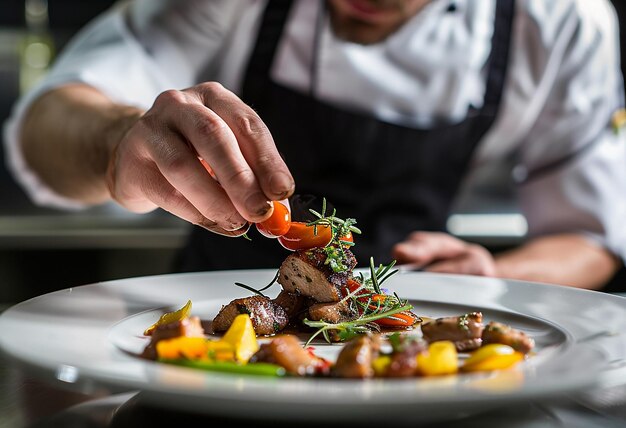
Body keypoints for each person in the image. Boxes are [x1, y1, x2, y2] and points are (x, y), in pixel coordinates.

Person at [3, 0, 626, 290]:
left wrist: (497, 276)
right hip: (212, 347)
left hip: (403, 350)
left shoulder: (561, 22)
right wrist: (117, 144)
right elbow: (48, 125)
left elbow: (592, 238)